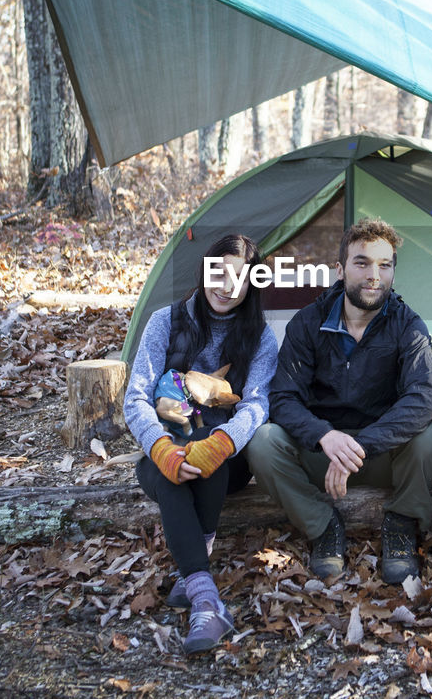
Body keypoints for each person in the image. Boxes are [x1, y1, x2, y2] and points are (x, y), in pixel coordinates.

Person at [247, 218, 432, 585]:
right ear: (340, 269)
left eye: (384, 266)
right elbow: (283, 398)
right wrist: (326, 436)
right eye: (362, 263)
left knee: (427, 436)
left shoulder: (407, 324)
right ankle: (323, 526)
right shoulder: (308, 323)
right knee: (262, 441)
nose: (374, 275)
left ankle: (401, 524)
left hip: (380, 453)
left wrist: (360, 445)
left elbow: (425, 397)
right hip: (322, 455)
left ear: (393, 274)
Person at [124, 234, 278, 654]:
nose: (226, 286)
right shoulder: (165, 322)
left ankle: (193, 579)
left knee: (206, 453)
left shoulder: (260, 339)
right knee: (170, 470)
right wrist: (160, 447)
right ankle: (205, 596)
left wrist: (223, 441)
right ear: (204, 272)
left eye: (239, 277)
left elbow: (257, 403)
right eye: (218, 272)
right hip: (165, 450)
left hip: (226, 460)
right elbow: (135, 397)